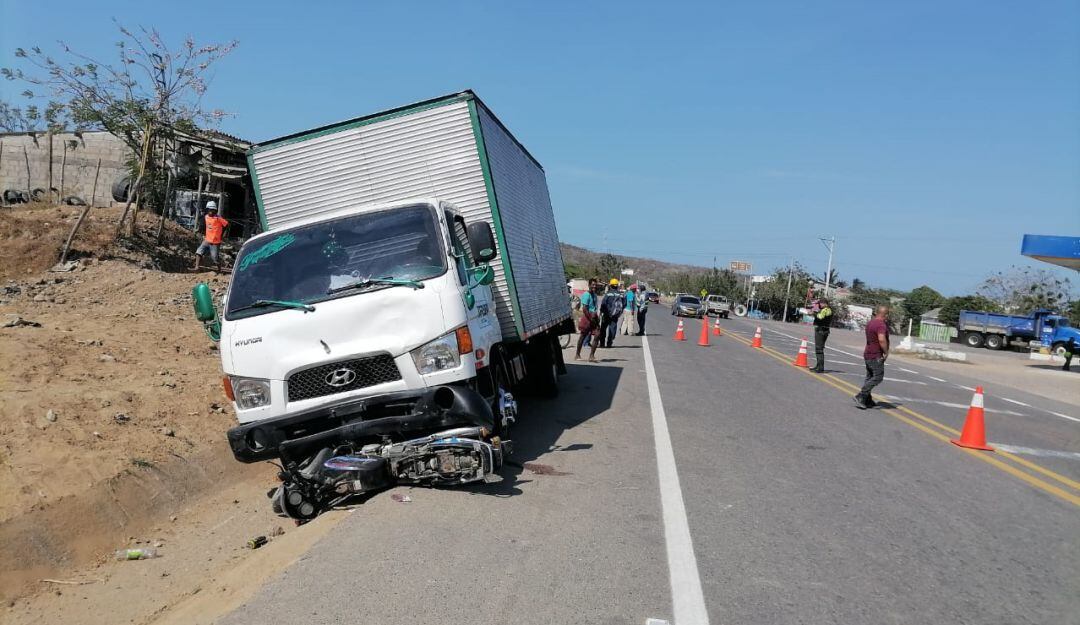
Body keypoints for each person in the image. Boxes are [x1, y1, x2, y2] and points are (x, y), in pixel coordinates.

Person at [854, 305, 890, 409]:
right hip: (875, 355)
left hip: (868, 353)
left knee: (869, 376)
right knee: (878, 377)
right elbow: (882, 339)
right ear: (885, 314)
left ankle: (867, 400)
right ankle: (861, 395)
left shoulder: (871, 322)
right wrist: (886, 352)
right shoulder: (881, 325)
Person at [193, 201, 229, 272]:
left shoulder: (218, 218)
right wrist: (198, 230)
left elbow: (227, 224)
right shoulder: (205, 217)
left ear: (215, 210)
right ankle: (197, 267)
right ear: (207, 210)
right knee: (199, 252)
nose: (211, 212)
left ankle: (219, 268)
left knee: (215, 258)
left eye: (212, 210)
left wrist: (222, 234)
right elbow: (202, 225)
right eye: (209, 210)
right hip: (207, 240)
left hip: (215, 242)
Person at [575, 280, 602, 362]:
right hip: (587, 317)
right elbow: (584, 309)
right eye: (593, 285)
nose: (594, 286)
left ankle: (591, 356)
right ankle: (577, 354)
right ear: (589, 285)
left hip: (594, 317)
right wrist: (590, 319)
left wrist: (596, 318)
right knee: (582, 336)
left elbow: (595, 307)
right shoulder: (586, 295)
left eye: (595, 285)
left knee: (597, 335)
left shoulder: (594, 295)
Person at [599, 279, 624, 348]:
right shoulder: (620, 295)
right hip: (615, 315)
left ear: (610, 286)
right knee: (612, 328)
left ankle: (602, 343)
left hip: (606, 314)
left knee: (603, 329)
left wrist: (601, 311)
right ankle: (609, 343)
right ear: (617, 286)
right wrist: (619, 312)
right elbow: (624, 304)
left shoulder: (608, 294)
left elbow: (603, 303)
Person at [810, 298, 834, 373]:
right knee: (819, 349)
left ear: (824, 303)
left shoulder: (826, 309)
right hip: (822, 330)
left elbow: (820, 317)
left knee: (819, 349)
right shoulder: (826, 309)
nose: (820, 305)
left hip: (821, 331)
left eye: (820, 303)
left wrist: (814, 313)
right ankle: (818, 366)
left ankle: (820, 367)